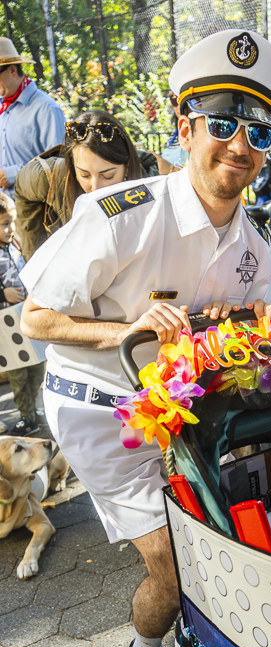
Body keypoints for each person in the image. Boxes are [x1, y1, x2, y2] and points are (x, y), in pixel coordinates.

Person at [20, 29, 271, 647]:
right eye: (224, 124)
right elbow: (38, 319)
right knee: (175, 567)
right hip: (102, 412)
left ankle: (215, 632)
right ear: (187, 128)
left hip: (190, 412)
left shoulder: (256, 247)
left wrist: (259, 337)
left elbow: (230, 344)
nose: (240, 145)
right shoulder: (122, 215)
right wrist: (132, 333)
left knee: (246, 524)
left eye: (258, 130)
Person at [15, 108, 159, 261]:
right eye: (84, 175)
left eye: (108, 175)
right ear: (71, 164)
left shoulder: (150, 187)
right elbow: (22, 184)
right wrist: (37, 256)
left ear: (127, 167)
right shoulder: (48, 176)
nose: (95, 186)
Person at [0, 191, 44, 435]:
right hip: (6, 326)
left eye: (12, 223)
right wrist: (2, 294)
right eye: (5, 224)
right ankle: (27, 416)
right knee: (18, 375)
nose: (11, 229)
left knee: (37, 368)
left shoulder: (15, 247)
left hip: (26, 317)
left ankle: (33, 410)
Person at [0, 38, 65, 195]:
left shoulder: (47, 109)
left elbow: (58, 164)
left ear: (12, 70)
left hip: (34, 210)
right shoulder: (2, 105)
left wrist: (14, 174)